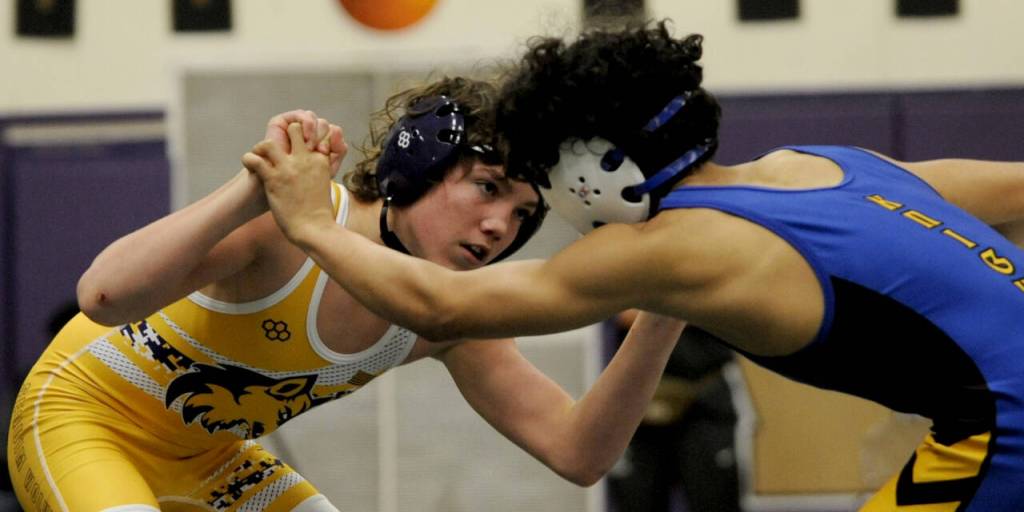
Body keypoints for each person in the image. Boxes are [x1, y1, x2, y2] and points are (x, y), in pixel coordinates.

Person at [242, 22, 1024, 511]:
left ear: (593, 169)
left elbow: (444, 307)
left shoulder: (670, 245)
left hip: (1004, 429)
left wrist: (310, 223)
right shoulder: (820, 163)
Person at [7, 76, 686, 512]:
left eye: (522, 215)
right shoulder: (295, 223)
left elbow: (578, 453)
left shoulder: (445, 312)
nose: (498, 226)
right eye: (487, 188)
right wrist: (253, 189)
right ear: (418, 164)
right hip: (83, 419)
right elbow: (102, 295)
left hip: (214, 459)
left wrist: (666, 307)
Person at [605, 311, 740, 512]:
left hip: (705, 393)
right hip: (638, 403)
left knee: (715, 498)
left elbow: (727, 309)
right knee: (636, 499)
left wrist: (664, 309)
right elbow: (623, 313)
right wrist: (690, 309)